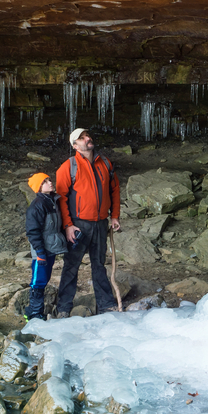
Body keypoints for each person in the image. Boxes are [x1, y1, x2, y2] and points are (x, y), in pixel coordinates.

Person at [54, 128, 121, 316]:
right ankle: (64, 307)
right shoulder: (68, 167)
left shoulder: (105, 163)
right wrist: (67, 226)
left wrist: (114, 215)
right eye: (81, 138)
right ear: (75, 146)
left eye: (88, 136)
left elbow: (114, 190)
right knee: (71, 266)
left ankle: (106, 305)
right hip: (78, 225)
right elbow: (61, 198)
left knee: (99, 264)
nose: (87, 139)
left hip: (100, 223)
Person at [23, 172, 68, 321]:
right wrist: (40, 252)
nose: (50, 182)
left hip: (51, 249)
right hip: (42, 251)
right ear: (39, 187)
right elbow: (33, 232)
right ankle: (34, 313)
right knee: (38, 281)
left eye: (49, 180)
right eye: (45, 182)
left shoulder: (52, 201)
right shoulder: (37, 206)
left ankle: (33, 310)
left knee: (45, 278)